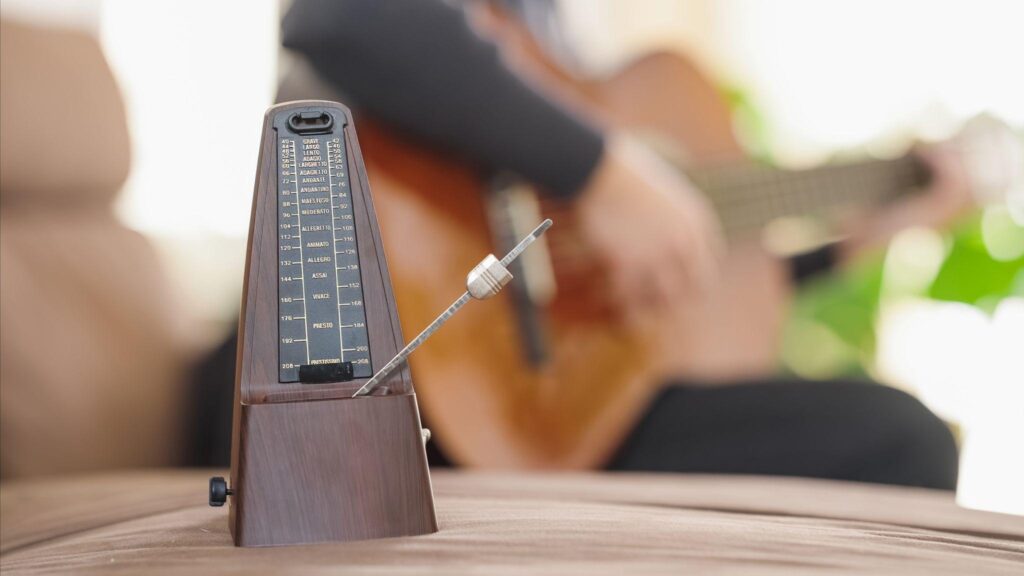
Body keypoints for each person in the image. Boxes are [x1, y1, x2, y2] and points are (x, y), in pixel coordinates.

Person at [189, 0, 961, 490]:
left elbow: (607, 277)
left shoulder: (550, 32)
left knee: (889, 426)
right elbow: (341, 16)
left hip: (537, 410)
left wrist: (844, 248)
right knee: (900, 442)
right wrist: (603, 173)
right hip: (354, 380)